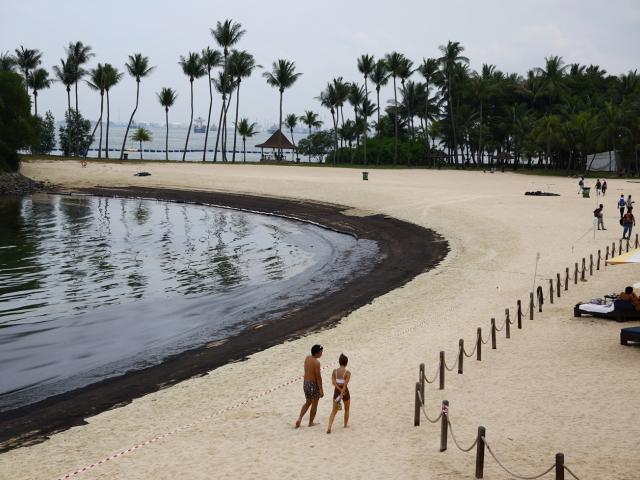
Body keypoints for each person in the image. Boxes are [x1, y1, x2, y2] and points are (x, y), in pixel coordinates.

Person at [296, 344, 324, 428]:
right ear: (317, 353)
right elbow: (318, 377)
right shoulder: (316, 362)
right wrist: (321, 389)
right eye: (321, 352)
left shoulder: (307, 358)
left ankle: (299, 418)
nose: (322, 353)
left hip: (305, 383)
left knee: (308, 402)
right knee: (314, 404)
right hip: (313, 384)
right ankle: (310, 423)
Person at [326, 353, 351, 434]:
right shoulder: (347, 373)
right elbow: (345, 384)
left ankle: (329, 427)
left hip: (336, 392)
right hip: (345, 392)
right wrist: (342, 391)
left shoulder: (334, 371)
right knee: (347, 409)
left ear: (339, 362)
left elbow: (333, 383)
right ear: (346, 363)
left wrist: (339, 391)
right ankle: (345, 425)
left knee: (334, 411)